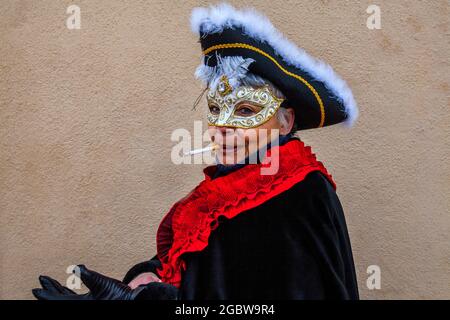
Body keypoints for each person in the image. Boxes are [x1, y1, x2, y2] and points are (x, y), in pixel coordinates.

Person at [32, 3, 359, 300]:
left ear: (285, 122)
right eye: (216, 109)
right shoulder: (232, 186)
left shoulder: (299, 196)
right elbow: (200, 267)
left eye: (245, 111)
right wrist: (146, 277)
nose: (223, 127)